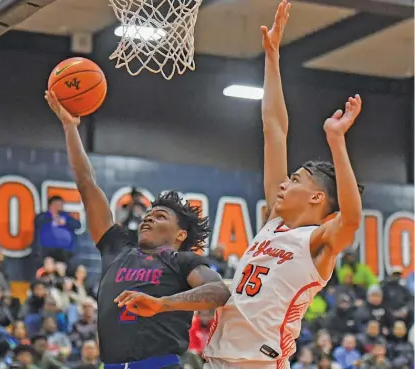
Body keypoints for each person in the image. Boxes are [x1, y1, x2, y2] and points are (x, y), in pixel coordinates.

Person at [111, 2, 365, 369]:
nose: (283, 184)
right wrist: (272, 57)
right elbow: (274, 129)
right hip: (216, 356)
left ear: (316, 197)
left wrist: (337, 140)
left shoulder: (318, 242)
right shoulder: (273, 225)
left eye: (294, 180)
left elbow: (352, 217)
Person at [44, 90, 231, 369]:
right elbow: (86, 183)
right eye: (148, 214)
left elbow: (219, 291)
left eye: (160, 216)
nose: (148, 218)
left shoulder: (183, 261)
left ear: (180, 235)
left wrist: (162, 304)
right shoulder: (117, 247)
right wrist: (70, 127)